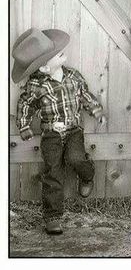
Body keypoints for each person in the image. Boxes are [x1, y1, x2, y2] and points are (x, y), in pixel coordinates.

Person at [12, 27, 106, 235]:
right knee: (53, 172)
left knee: (76, 158)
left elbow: (85, 96)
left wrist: (97, 111)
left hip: (73, 130)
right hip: (51, 134)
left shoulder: (73, 76)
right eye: (54, 53)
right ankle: (53, 216)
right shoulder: (36, 85)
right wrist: (25, 126)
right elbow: (25, 105)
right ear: (44, 68)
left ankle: (87, 175)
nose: (61, 50)